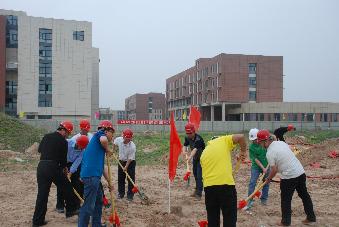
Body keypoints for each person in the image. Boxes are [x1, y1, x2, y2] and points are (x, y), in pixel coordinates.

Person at [257, 130, 316, 226]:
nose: (260, 145)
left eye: (260, 142)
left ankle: (285, 222)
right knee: (305, 195)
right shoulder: (280, 143)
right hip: (300, 172)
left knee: (286, 199)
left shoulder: (270, 153)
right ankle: (311, 217)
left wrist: (268, 179)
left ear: (265, 141)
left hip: (289, 177)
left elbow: (274, 170)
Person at [32, 121, 79, 227]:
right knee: (67, 187)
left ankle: (37, 221)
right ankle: (71, 210)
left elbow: (40, 150)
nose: (67, 135)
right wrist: (65, 169)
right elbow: (63, 160)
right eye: (68, 133)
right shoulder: (63, 141)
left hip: (41, 166)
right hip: (52, 167)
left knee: (42, 195)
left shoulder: (46, 136)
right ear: (64, 130)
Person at [200, 134, 247, 227]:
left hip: (209, 188)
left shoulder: (204, 153)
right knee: (229, 217)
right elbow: (241, 137)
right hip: (226, 186)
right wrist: (243, 151)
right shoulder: (223, 140)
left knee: (212, 218)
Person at [78, 120, 115, 227]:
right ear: (107, 130)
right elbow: (104, 140)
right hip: (91, 177)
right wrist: (108, 149)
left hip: (93, 176)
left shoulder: (98, 147)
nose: (112, 136)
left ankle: (96, 224)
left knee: (99, 201)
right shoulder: (100, 134)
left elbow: (102, 168)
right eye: (112, 132)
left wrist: (109, 182)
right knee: (88, 205)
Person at [56, 119, 93, 212]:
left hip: (72, 164)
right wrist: (64, 168)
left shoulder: (82, 151)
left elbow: (77, 162)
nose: (80, 149)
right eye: (80, 147)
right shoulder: (68, 142)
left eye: (82, 148)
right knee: (61, 184)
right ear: (77, 143)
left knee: (76, 183)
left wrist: (70, 172)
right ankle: (60, 205)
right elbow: (61, 153)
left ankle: (76, 205)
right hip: (62, 162)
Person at [247, 128, 270, 209]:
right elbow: (255, 159)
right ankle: (250, 199)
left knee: (266, 182)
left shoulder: (265, 143)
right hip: (256, 166)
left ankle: (264, 199)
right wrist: (263, 168)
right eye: (253, 140)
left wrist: (267, 166)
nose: (255, 141)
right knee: (252, 182)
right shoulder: (251, 147)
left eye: (256, 139)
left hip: (267, 165)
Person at [182, 123, 206, 199]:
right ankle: (196, 191)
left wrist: (189, 158)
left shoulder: (198, 139)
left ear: (194, 131)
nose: (189, 135)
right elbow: (185, 145)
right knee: (195, 174)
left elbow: (194, 150)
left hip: (202, 159)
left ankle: (199, 194)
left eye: (190, 133)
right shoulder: (187, 138)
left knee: (199, 176)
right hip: (195, 158)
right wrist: (184, 151)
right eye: (187, 133)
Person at [113, 128, 136, 201]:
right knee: (121, 178)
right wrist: (113, 151)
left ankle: (130, 195)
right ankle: (121, 193)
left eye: (129, 138)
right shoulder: (119, 139)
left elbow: (130, 158)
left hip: (130, 162)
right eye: (126, 138)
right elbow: (114, 143)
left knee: (130, 179)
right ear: (123, 136)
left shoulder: (132, 146)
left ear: (131, 138)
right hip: (121, 161)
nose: (127, 140)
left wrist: (126, 167)